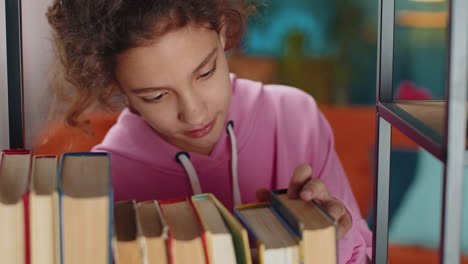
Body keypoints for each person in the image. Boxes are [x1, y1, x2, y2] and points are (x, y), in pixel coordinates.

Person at [47, 0, 372, 263]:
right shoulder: (103, 182)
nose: (195, 113)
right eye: (155, 96)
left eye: (205, 72)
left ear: (222, 33)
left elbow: (366, 253)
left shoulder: (296, 117)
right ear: (118, 88)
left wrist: (333, 236)